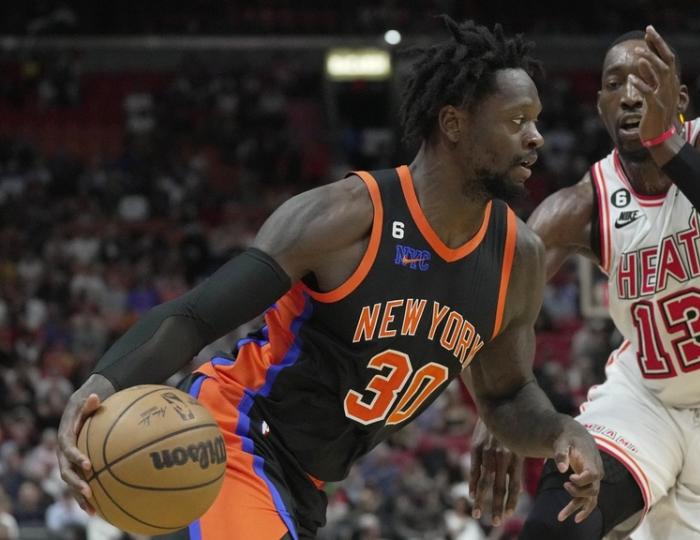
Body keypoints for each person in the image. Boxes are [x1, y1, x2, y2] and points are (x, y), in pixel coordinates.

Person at [56, 17, 603, 540]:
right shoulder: (346, 216)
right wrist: (101, 385)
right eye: (516, 120)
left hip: (310, 482)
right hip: (235, 434)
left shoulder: (520, 257)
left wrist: (561, 430)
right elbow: (196, 315)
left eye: (536, 121)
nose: (536, 138)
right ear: (454, 123)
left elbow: (506, 397)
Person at [470, 26, 700, 539]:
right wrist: (497, 405)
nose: (630, 95)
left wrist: (666, 145)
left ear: (679, 98)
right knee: (557, 521)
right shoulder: (582, 204)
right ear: (601, 105)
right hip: (648, 399)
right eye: (614, 83)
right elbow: (493, 301)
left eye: (647, 81)